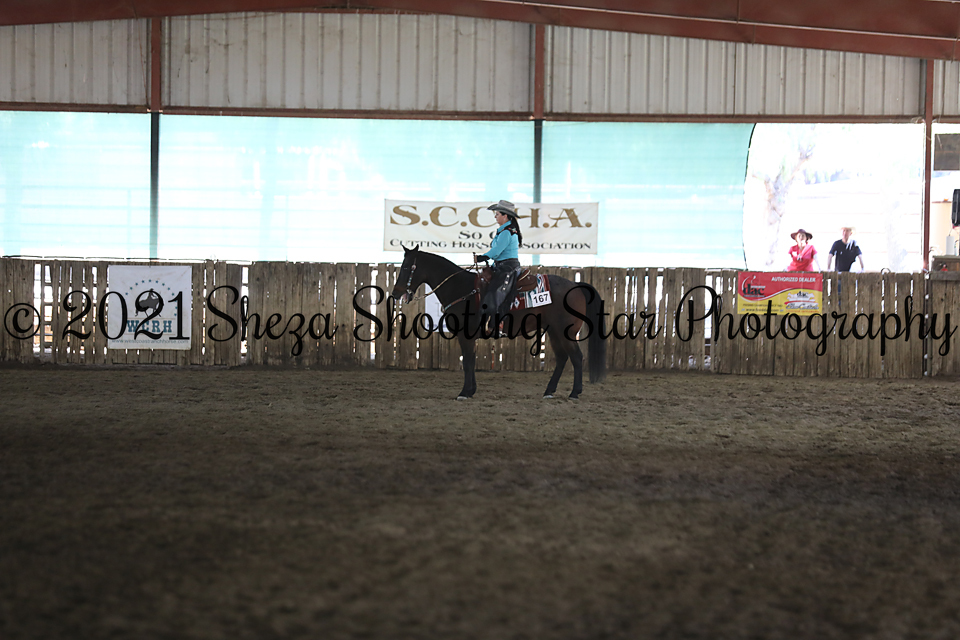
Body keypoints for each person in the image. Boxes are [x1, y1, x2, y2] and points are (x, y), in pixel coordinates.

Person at [475, 200, 523, 332]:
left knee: (494, 294)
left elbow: (497, 251)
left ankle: (494, 324)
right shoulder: (505, 231)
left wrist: (482, 257)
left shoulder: (506, 232)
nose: (495, 217)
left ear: (505, 216)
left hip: (507, 268)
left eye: (497, 214)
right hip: (502, 266)